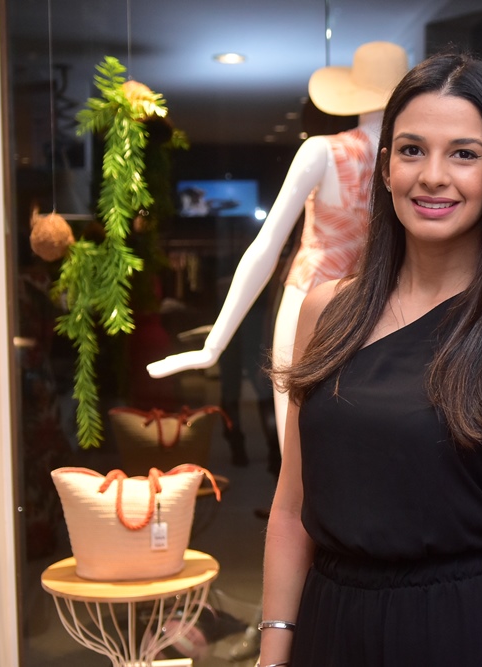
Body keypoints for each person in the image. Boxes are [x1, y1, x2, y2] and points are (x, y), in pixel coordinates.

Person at [258, 51, 482, 667]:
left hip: (462, 633)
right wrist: (273, 649)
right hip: (330, 628)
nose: (433, 176)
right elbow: (290, 507)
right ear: (386, 167)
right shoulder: (327, 310)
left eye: (463, 154)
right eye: (412, 150)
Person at [146, 42, 410, 456]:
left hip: (313, 298)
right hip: (385, 301)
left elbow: (266, 246)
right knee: (366, 446)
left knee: (296, 446)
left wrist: (214, 345)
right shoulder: (410, 161)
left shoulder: (322, 151)